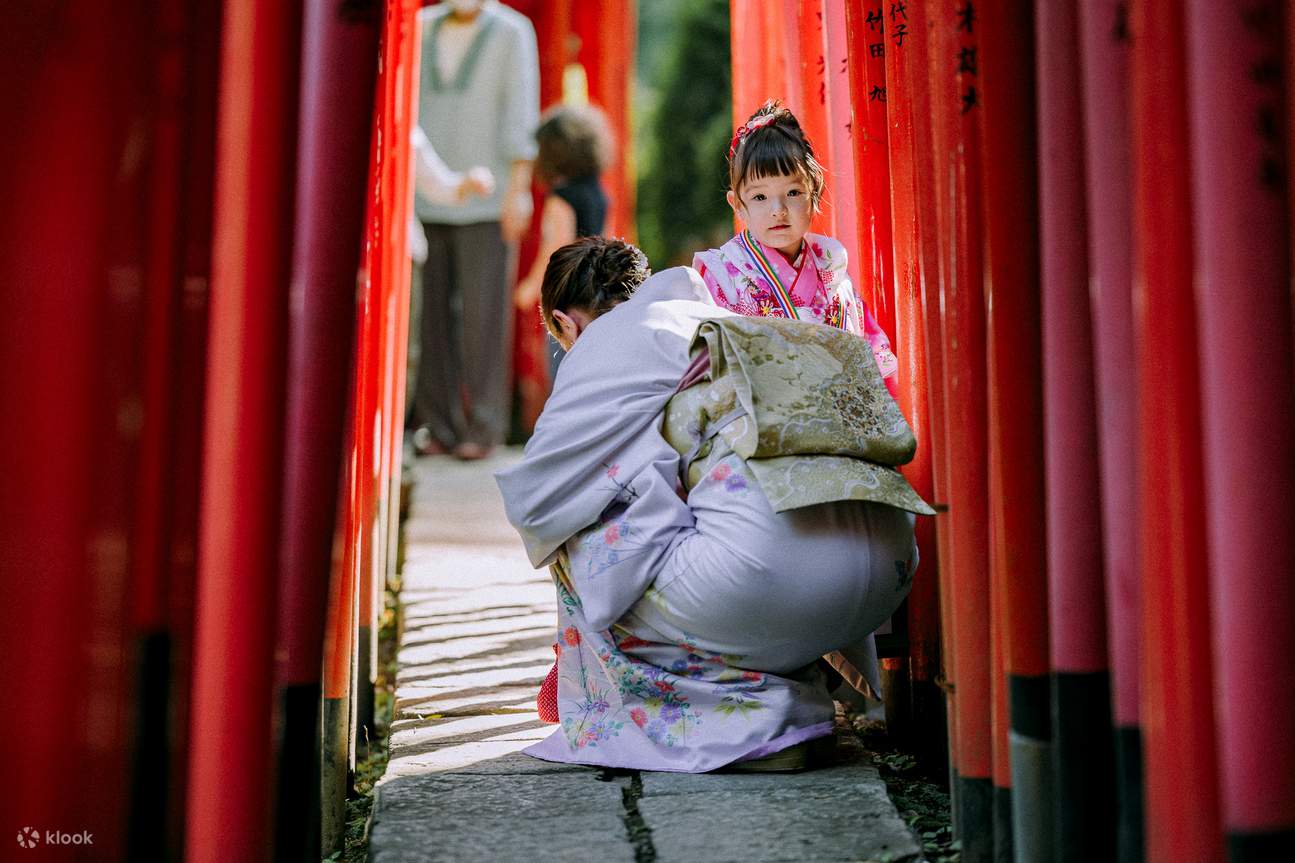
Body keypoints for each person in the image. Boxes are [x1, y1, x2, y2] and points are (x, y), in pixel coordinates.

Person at [495, 237, 933, 772]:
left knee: (580, 538)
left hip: (768, 583)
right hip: (888, 575)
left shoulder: (603, 343)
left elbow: (537, 506)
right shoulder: (715, 316)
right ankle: (797, 699)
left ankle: (749, 721)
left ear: (566, 325)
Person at [693, 100, 899, 398]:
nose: (778, 210)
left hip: (840, 430)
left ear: (813, 193)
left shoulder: (832, 269)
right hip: (766, 431)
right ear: (738, 205)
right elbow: (710, 368)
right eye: (760, 197)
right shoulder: (722, 274)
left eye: (793, 192)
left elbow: (872, 353)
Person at [412, 0, 540, 460]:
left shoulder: (512, 31)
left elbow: (521, 113)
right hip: (424, 195)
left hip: (489, 197)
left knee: (485, 317)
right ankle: (437, 424)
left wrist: (519, 190)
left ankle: (483, 427)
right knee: (428, 318)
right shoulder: (420, 26)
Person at [514, 104, 612, 379]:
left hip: (568, 301)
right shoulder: (599, 193)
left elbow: (555, 250)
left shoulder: (561, 198)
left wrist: (530, 288)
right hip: (598, 298)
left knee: (564, 375)